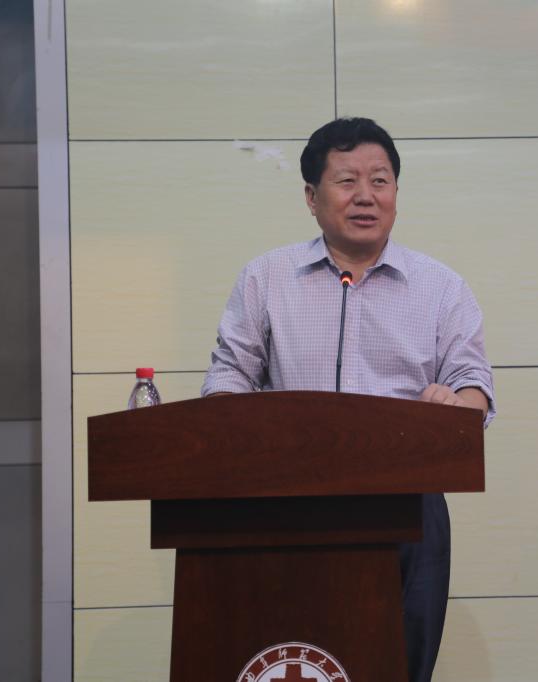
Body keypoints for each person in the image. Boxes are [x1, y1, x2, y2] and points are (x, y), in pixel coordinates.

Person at [201, 117, 495, 682]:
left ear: (396, 193)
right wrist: (240, 427)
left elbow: (472, 380)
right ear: (312, 198)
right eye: (346, 181)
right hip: (288, 501)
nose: (366, 196)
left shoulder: (441, 286)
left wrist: (459, 406)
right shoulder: (266, 278)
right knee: (295, 655)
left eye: (380, 181)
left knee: (398, 664)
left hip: (409, 505)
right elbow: (228, 377)